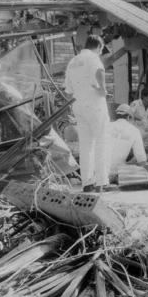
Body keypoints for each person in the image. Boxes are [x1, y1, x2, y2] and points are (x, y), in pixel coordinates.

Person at [64, 34, 111, 192]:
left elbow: (68, 89)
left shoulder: (73, 61)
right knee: (102, 140)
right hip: (95, 104)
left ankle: (87, 182)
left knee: (86, 144)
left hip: (79, 105)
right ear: (99, 46)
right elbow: (99, 71)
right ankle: (102, 181)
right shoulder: (93, 57)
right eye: (101, 49)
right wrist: (103, 89)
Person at [106, 104, 148, 172]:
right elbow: (141, 160)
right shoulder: (134, 131)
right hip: (116, 171)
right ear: (129, 117)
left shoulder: (107, 126)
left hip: (97, 169)